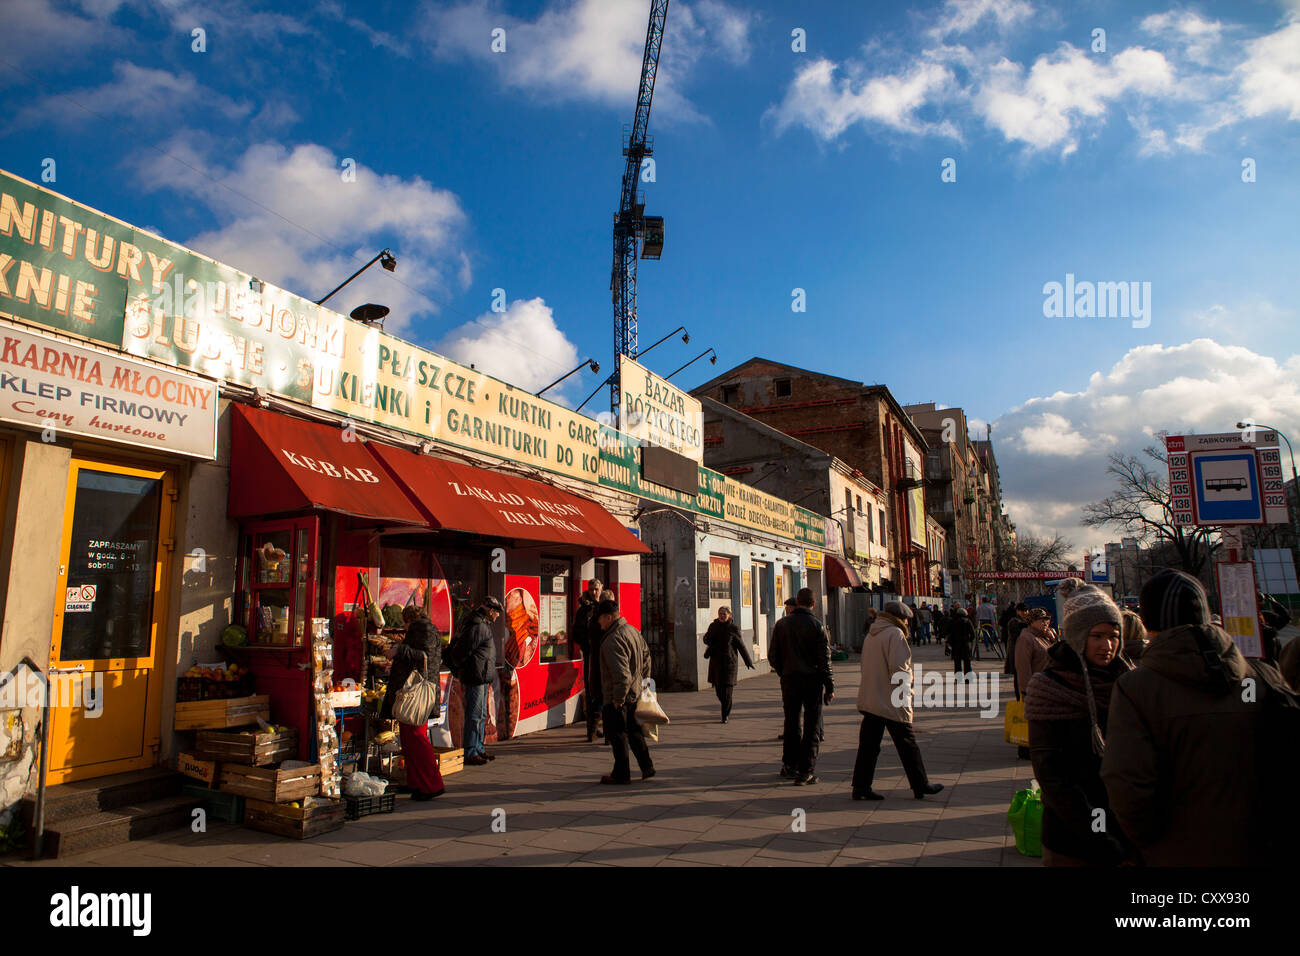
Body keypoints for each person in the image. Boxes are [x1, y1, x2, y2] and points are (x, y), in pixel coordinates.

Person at [1102, 569, 1300, 866]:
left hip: (1176, 851)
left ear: (1148, 623)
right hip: (1263, 846)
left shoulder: (1136, 689)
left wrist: (1150, 844)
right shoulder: (1262, 676)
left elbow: (1127, 786)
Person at [1024, 580, 1132, 866]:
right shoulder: (1049, 688)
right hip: (1071, 840)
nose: (1107, 646)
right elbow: (1054, 779)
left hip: (1128, 832)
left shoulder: (1130, 683)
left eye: (1114, 636)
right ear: (1077, 636)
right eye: (1097, 636)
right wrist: (1102, 838)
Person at [852, 601, 943, 801]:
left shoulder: (872, 634)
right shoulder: (895, 634)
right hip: (891, 700)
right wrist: (906, 698)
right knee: (908, 744)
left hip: (872, 698)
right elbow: (900, 671)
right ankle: (921, 784)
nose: (908, 624)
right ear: (899, 619)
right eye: (906, 620)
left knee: (868, 746)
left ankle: (860, 787)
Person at [768, 588, 835, 785]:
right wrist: (829, 686)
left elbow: (773, 656)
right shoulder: (817, 626)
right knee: (812, 726)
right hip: (812, 681)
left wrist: (784, 671)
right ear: (813, 603)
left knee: (791, 723)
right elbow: (825, 660)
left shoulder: (781, 625)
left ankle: (789, 765)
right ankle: (805, 771)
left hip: (789, 680)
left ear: (797, 601)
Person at [380, 606, 445, 800]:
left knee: (417, 738)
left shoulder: (423, 629)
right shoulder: (425, 629)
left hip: (416, 694)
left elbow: (422, 656)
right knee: (409, 740)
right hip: (413, 693)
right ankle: (416, 783)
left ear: (409, 619)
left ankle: (433, 785)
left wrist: (398, 650)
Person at [596, 598, 655, 784]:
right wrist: (643, 682)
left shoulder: (612, 640)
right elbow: (647, 657)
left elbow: (622, 676)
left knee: (618, 735)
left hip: (619, 697)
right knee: (634, 732)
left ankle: (621, 774)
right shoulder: (632, 631)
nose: (598, 622)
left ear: (608, 617)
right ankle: (647, 767)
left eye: (599, 618)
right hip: (635, 692)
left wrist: (617, 699)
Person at [448, 596, 502, 766]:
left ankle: (478, 747)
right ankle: (471, 751)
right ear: (491, 611)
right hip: (476, 676)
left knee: (481, 714)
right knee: (475, 715)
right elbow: (463, 650)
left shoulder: (481, 624)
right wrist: (460, 668)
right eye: (497, 613)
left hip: (481, 676)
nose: (498, 616)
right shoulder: (478, 625)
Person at [703, 606, 754, 722]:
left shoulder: (733, 628)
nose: (721, 616)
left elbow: (741, 645)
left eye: (724, 614)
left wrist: (748, 661)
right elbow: (706, 639)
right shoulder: (713, 626)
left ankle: (725, 714)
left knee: (727, 692)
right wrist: (710, 638)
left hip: (729, 664)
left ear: (729, 615)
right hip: (716, 663)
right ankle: (726, 706)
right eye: (720, 613)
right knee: (718, 691)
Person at [571, 579, 605, 742]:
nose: (594, 592)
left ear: (601, 589)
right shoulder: (583, 610)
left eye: (596, 589)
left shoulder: (605, 606)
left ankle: (601, 726)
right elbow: (576, 633)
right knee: (592, 690)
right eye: (591, 589)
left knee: (605, 690)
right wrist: (587, 646)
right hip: (591, 656)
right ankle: (591, 729)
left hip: (605, 656)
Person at [1015, 608, 1056, 692]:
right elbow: (1023, 666)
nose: (1045, 623)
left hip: (1050, 685)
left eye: (1047, 620)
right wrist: (1026, 689)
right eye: (1041, 620)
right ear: (1032, 622)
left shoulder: (1045, 636)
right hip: (1038, 687)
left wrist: (1054, 639)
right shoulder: (1026, 638)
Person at [948, 606, 975, 678]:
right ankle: (968, 679)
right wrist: (969, 640)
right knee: (967, 662)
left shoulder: (953, 622)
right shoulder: (968, 621)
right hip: (965, 644)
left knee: (957, 663)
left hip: (956, 645)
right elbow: (973, 634)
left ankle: (958, 679)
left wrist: (950, 643)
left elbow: (950, 634)